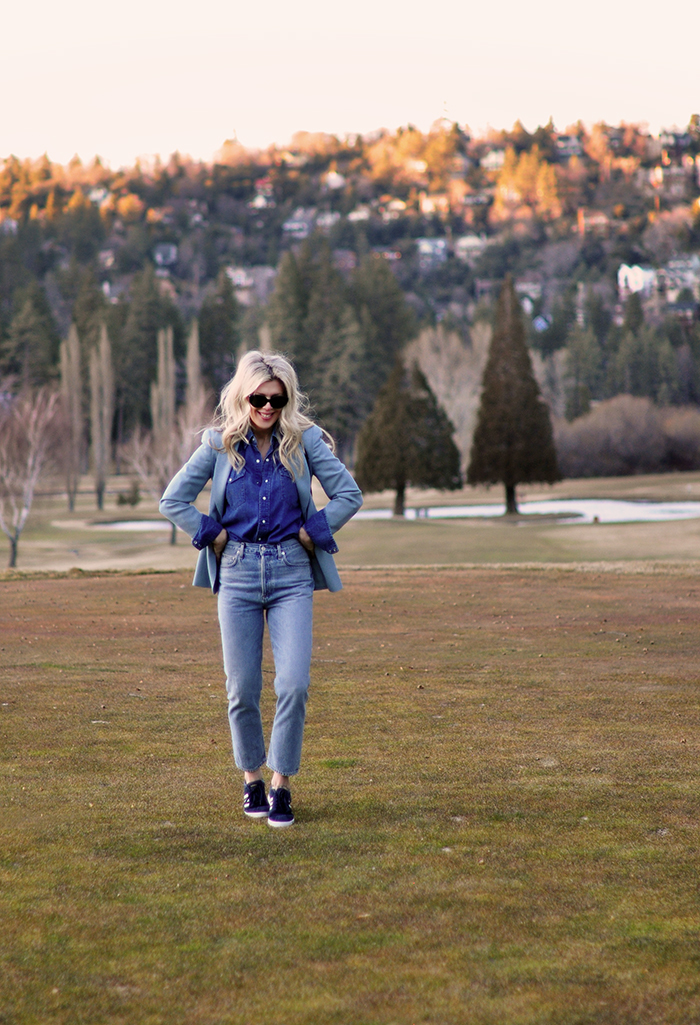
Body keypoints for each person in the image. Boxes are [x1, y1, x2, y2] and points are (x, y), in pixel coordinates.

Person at [160, 351, 363, 828]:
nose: (268, 407)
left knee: (293, 684)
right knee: (243, 687)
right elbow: (173, 499)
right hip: (237, 572)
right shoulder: (218, 445)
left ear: (287, 399)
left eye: (277, 398)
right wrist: (213, 534)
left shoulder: (306, 442)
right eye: (259, 398)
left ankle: (281, 785)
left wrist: (315, 530)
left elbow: (349, 494)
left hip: (292, 572)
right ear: (243, 397)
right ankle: (252, 777)